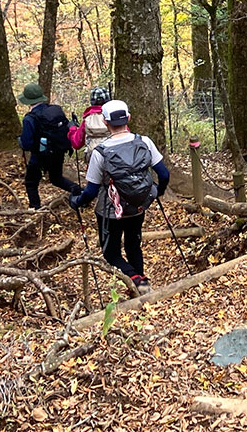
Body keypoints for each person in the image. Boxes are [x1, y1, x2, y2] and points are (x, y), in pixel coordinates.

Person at [70, 99, 170, 294]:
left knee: (111, 253)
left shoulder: (101, 152)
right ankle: (141, 284)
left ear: (106, 123)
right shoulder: (144, 141)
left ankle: (137, 282)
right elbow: (164, 174)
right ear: (129, 118)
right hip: (139, 205)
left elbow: (91, 191)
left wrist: (77, 202)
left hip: (110, 211)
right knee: (134, 244)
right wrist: (158, 191)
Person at [19, 82, 79, 210]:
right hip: (58, 152)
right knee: (56, 178)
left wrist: (21, 142)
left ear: (29, 101)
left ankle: (35, 208)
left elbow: (27, 144)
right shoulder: (55, 111)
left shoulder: (29, 118)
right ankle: (77, 190)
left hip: (39, 157)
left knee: (31, 183)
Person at [68, 86, 112, 160]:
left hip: (93, 158)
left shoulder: (87, 119)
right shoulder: (114, 117)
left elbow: (76, 143)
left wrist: (72, 128)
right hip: (113, 158)